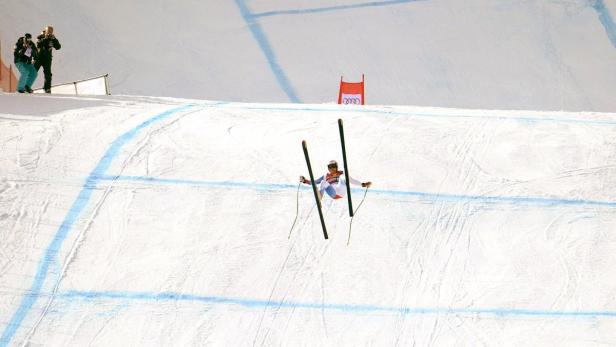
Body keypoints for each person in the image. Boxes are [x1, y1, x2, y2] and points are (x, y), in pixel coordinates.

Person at [300, 160, 372, 200]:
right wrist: (304, 180)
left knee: (344, 177)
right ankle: (320, 197)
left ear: (336, 167)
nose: (332, 169)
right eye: (330, 167)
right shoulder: (325, 176)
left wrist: (363, 184)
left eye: (334, 167)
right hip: (333, 193)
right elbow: (314, 182)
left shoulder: (341, 173)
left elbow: (351, 180)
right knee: (322, 182)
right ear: (328, 168)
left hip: (341, 189)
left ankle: (362, 184)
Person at [35, 26, 61, 93]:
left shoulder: (52, 38)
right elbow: (38, 45)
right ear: (45, 31)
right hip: (39, 58)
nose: (49, 32)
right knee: (33, 72)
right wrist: (45, 38)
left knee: (48, 74)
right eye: (48, 31)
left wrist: (54, 39)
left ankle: (47, 88)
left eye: (51, 31)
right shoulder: (40, 37)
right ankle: (26, 86)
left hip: (47, 59)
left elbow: (58, 47)